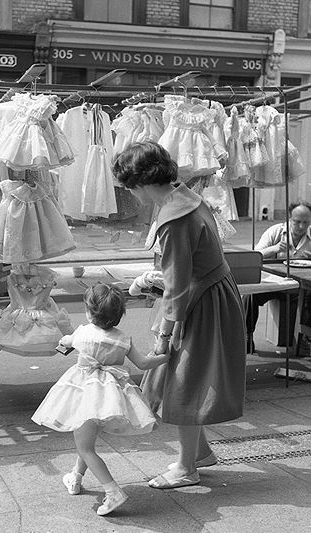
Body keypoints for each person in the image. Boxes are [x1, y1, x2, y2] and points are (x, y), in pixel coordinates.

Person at [112, 140, 246, 489]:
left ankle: (187, 467)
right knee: (182, 377)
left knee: (183, 379)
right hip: (210, 294)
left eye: (130, 186)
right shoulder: (186, 197)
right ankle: (198, 453)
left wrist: (165, 334)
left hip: (197, 303)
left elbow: (177, 285)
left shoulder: (174, 216)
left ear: (140, 182)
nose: (131, 193)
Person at [31, 283, 170, 516]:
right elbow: (144, 363)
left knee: (85, 446)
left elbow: (66, 341)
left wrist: (65, 342)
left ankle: (112, 491)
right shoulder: (123, 340)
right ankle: (75, 477)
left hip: (83, 394)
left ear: (89, 312)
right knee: (86, 437)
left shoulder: (83, 333)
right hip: (109, 397)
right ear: (119, 315)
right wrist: (166, 357)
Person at [245, 202, 311, 352]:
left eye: (305, 222)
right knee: (250, 294)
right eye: (297, 222)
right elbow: (255, 256)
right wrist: (274, 249)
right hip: (277, 284)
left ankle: (305, 338)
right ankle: (247, 335)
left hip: (301, 286)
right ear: (289, 218)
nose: (301, 227)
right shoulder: (275, 232)